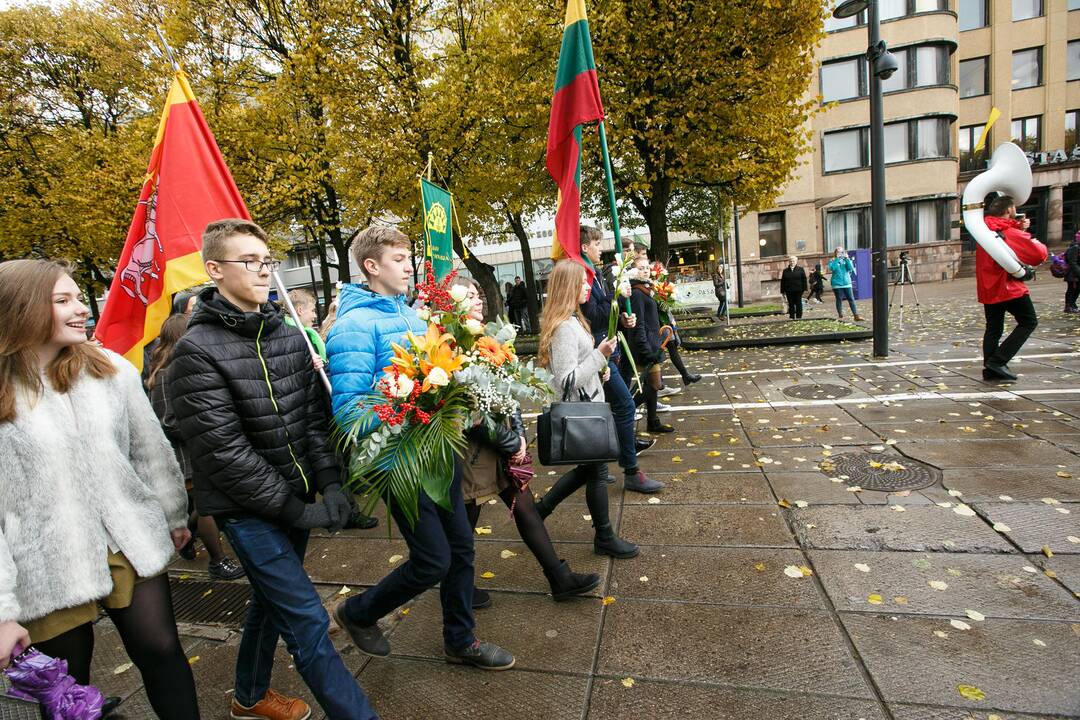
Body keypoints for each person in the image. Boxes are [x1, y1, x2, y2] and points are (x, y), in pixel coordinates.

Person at [168, 219, 376, 720]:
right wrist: (291, 507)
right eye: (251, 261)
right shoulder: (194, 352)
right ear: (214, 270)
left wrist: (329, 481)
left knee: (270, 602)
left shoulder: (286, 334)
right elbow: (223, 452)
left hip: (297, 498)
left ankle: (248, 695)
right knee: (306, 618)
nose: (264, 271)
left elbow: (311, 420)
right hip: (247, 511)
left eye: (267, 261)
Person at [0, 259, 199, 719]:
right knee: (68, 687)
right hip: (45, 561)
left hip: (128, 537)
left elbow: (150, 451)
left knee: (163, 651)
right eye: (63, 300)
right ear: (22, 308)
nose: (81, 309)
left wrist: (172, 514)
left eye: (78, 297)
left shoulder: (109, 369)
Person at [326, 226, 514, 672]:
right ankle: (358, 612)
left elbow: (439, 374)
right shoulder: (351, 327)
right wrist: (409, 401)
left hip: (437, 451)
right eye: (398, 259)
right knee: (433, 560)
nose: (409, 266)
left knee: (462, 550)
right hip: (398, 462)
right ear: (371, 267)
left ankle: (460, 640)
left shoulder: (414, 316)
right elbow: (350, 413)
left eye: (409, 257)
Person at [452, 278, 601, 609]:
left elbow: (508, 395)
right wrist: (510, 440)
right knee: (466, 520)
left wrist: (517, 434)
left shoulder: (487, 340)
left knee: (524, 506)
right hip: (474, 451)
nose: (479, 301)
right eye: (470, 296)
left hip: (501, 443)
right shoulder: (453, 346)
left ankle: (558, 577)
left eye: (479, 295)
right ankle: (457, 586)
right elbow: (471, 414)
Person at [535, 259, 639, 559]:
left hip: (590, 404)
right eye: (581, 283)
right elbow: (566, 380)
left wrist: (600, 369)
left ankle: (541, 510)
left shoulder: (572, 319)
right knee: (596, 470)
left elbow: (581, 367)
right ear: (567, 287)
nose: (587, 287)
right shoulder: (565, 327)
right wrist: (599, 355)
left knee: (591, 469)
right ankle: (604, 536)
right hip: (583, 409)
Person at [147, 314, 245, 581]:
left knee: (204, 506)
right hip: (187, 455)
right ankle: (217, 560)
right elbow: (167, 420)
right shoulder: (166, 373)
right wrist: (203, 430)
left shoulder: (187, 367)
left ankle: (187, 536)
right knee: (207, 506)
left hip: (202, 450)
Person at [578, 226, 663, 493]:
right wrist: (616, 297)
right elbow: (591, 314)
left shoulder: (594, 273)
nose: (600, 248)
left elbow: (604, 316)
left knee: (606, 408)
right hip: (596, 352)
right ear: (584, 246)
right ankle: (630, 470)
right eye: (596, 242)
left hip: (605, 348)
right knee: (624, 405)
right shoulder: (587, 275)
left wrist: (623, 321)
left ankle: (598, 468)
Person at [979, 194, 1048, 381]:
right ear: (1009, 210)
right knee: (1028, 321)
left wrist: (1017, 227)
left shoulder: (984, 230)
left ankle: (991, 367)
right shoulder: (1007, 232)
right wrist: (1022, 231)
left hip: (988, 286)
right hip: (1008, 285)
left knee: (994, 328)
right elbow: (1038, 254)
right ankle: (998, 361)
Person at [628, 257, 673, 434]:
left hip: (652, 343)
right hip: (645, 346)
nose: (645, 270)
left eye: (647, 267)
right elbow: (638, 324)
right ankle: (626, 410)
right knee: (654, 384)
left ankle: (653, 421)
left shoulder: (647, 289)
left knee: (651, 384)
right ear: (633, 271)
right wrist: (646, 350)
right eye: (641, 268)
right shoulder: (637, 292)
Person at [828, 247, 863, 321]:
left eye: (842, 251)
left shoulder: (846, 259)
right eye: (839, 251)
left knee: (851, 299)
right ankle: (840, 315)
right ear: (836, 252)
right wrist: (837, 259)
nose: (841, 253)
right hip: (837, 283)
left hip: (847, 282)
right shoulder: (832, 260)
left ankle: (856, 315)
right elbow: (832, 268)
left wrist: (847, 259)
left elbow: (850, 269)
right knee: (839, 299)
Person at [780, 255, 808, 320]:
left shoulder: (800, 269)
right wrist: (782, 291)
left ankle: (799, 316)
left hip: (798, 290)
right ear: (789, 262)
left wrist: (804, 289)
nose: (792, 262)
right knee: (791, 303)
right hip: (789, 290)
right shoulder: (785, 271)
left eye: (793, 261)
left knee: (798, 303)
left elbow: (804, 279)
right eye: (790, 261)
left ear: (796, 261)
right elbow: (783, 281)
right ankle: (792, 316)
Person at [1064, 230, 1080, 313]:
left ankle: (1073, 305)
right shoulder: (1075, 247)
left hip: (1076, 273)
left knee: (1077, 290)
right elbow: (1072, 262)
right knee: (1072, 289)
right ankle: (1068, 306)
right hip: (1073, 274)